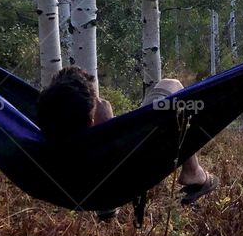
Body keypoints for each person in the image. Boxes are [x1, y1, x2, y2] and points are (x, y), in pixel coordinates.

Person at [35, 67, 218, 210]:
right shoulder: (109, 141)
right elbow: (119, 146)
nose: (103, 102)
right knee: (172, 86)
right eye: (97, 102)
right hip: (133, 163)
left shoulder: (50, 135)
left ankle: (107, 210)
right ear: (92, 122)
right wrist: (109, 123)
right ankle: (193, 173)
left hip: (95, 180)